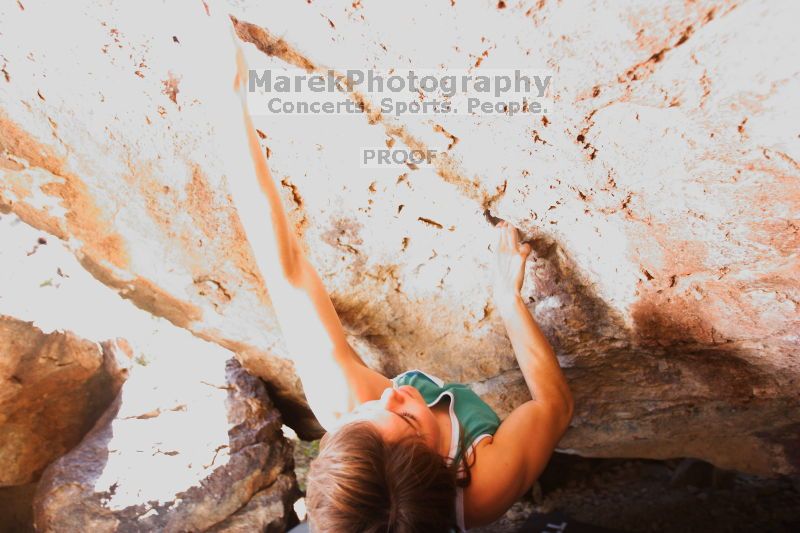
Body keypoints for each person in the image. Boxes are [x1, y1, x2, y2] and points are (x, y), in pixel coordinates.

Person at [227, 39, 574, 532]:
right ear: (445, 467)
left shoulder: (345, 401)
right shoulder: (484, 486)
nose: (390, 395)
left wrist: (230, 97)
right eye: (408, 421)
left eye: (365, 415)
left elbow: (286, 270)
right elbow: (554, 405)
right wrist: (509, 301)